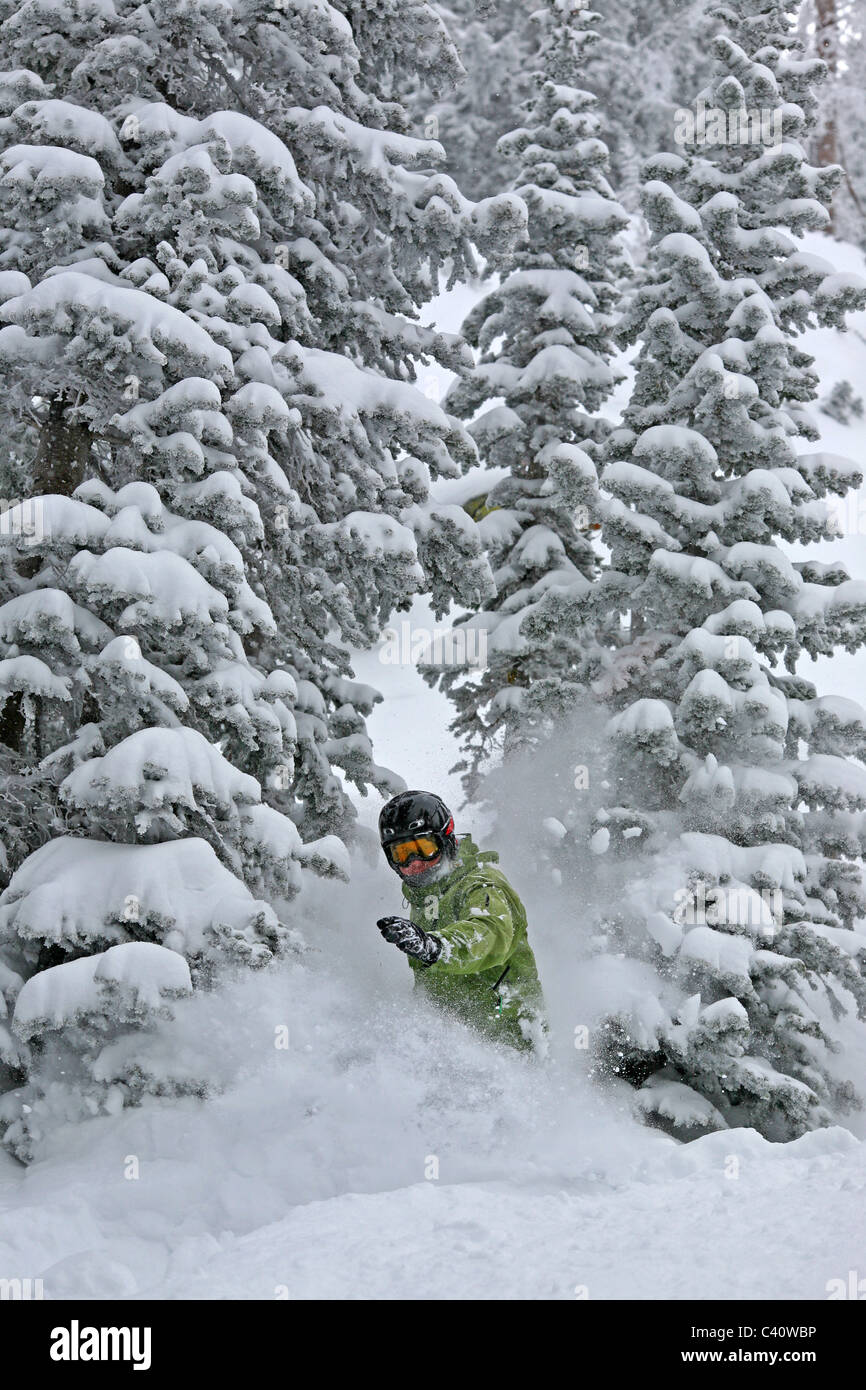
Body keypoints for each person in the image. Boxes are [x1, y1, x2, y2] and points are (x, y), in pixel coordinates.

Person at [376, 790, 546, 1052]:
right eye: (402, 854)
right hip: (452, 1044)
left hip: (509, 1043)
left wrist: (436, 947)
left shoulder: (481, 884)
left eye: (423, 848)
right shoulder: (426, 897)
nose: (414, 863)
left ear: (446, 841)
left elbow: (490, 932)